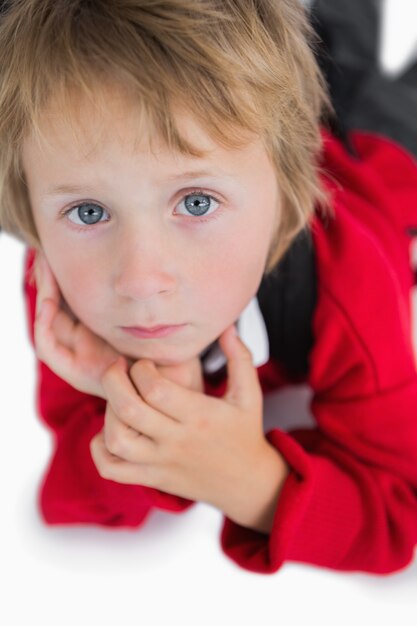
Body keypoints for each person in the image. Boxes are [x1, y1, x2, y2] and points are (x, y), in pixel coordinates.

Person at [0, 0, 416, 576]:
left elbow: (397, 518)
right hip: (277, 121)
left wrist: (250, 481)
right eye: (90, 212)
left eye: (196, 202)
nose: (141, 283)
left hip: (387, 153)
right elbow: (68, 498)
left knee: (354, 53)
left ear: (286, 200)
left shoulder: (350, 282)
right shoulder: (59, 286)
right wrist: (137, 398)